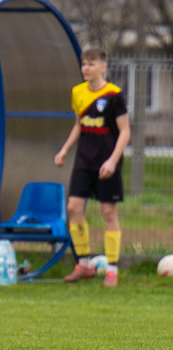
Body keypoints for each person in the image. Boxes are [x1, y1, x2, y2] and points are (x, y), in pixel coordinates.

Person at [54, 48, 130, 287]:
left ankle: (112, 268)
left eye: (91, 64)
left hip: (107, 163)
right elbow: (79, 124)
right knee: (73, 208)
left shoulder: (114, 95)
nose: (85, 68)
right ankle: (84, 264)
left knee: (108, 213)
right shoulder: (78, 92)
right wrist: (65, 149)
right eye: (83, 64)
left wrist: (112, 160)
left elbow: (125, 131)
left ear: (103, 67)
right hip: (83, 161)